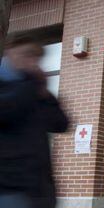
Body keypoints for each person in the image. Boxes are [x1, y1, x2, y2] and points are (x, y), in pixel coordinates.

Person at [0, 34, 69, 208]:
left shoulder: (35, 90)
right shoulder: (14, 87)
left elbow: (60, 124)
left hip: (40, 189)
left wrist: (45, 94)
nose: (32, 62)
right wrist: (31, 85)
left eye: (36, 58)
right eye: (27, 54)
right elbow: (8, 112)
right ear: (10, 52)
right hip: (9, 188)